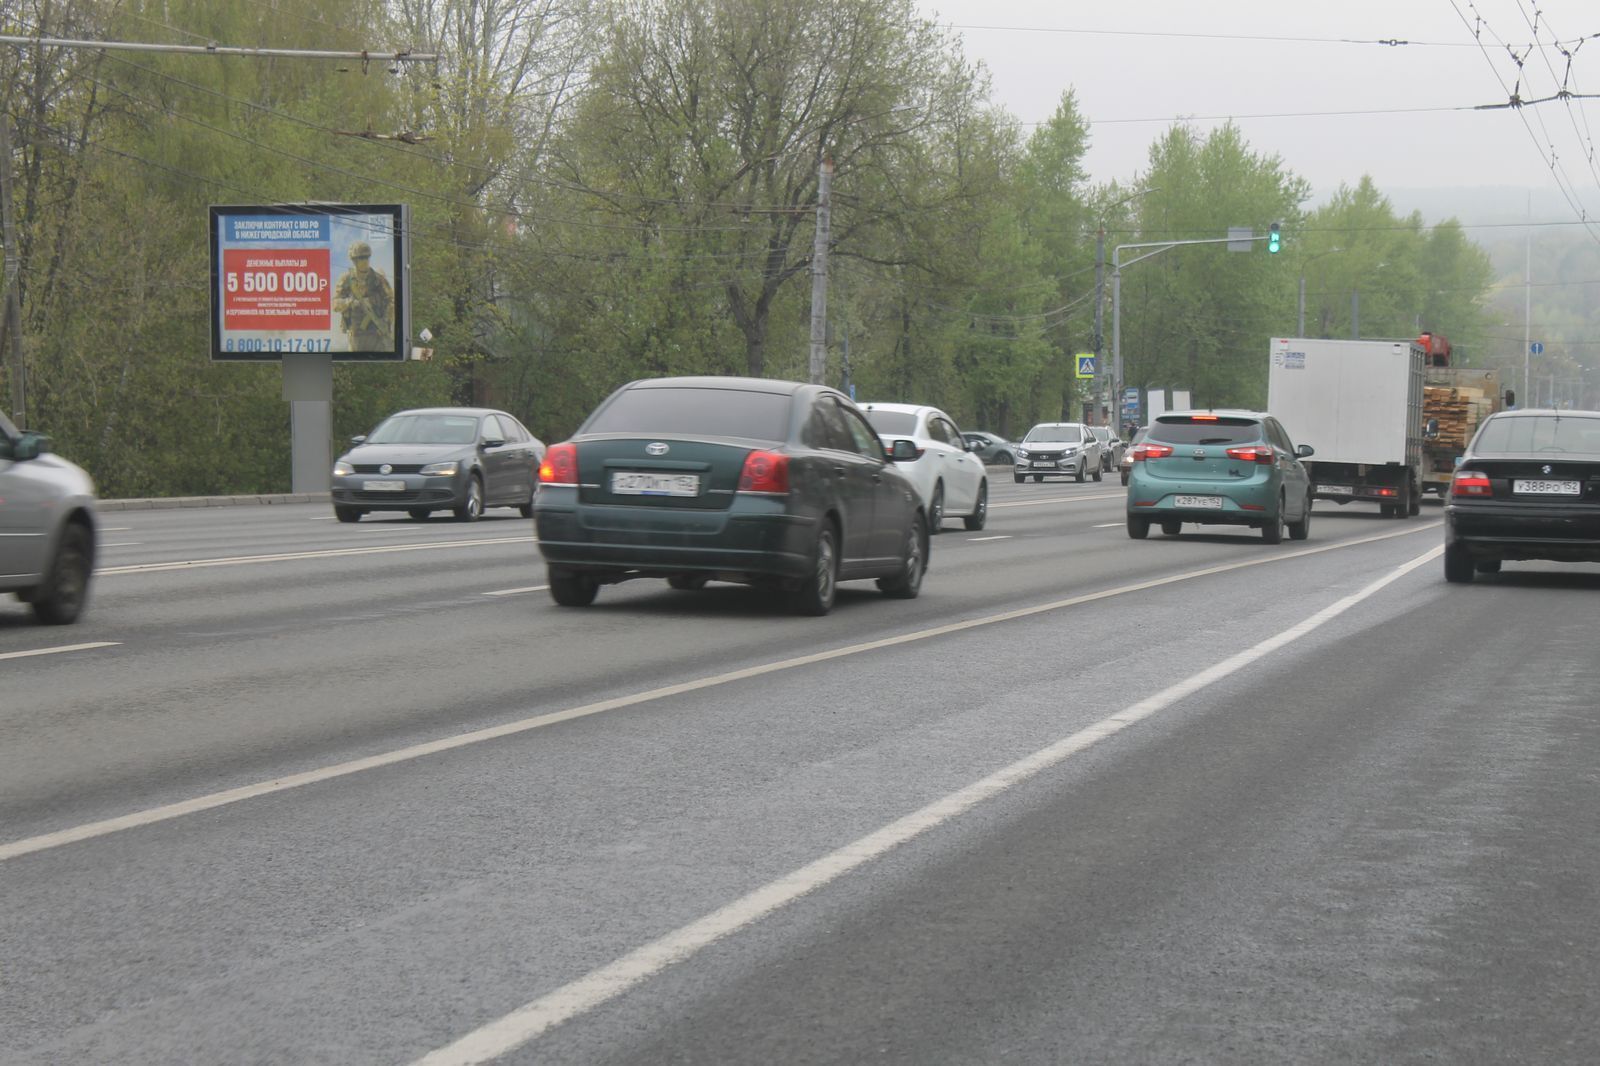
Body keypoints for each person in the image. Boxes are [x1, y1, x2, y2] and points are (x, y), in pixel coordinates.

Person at [331, 240, 394, 352]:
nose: (365, 261)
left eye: (367, 257)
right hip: (356, 335)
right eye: (361, 258)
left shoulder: (378, 279)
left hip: (377, 332)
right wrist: (351, 302)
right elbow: (335, 305)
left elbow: (391, 301)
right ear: (354, 260)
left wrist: (385, 321)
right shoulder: (346, 279)